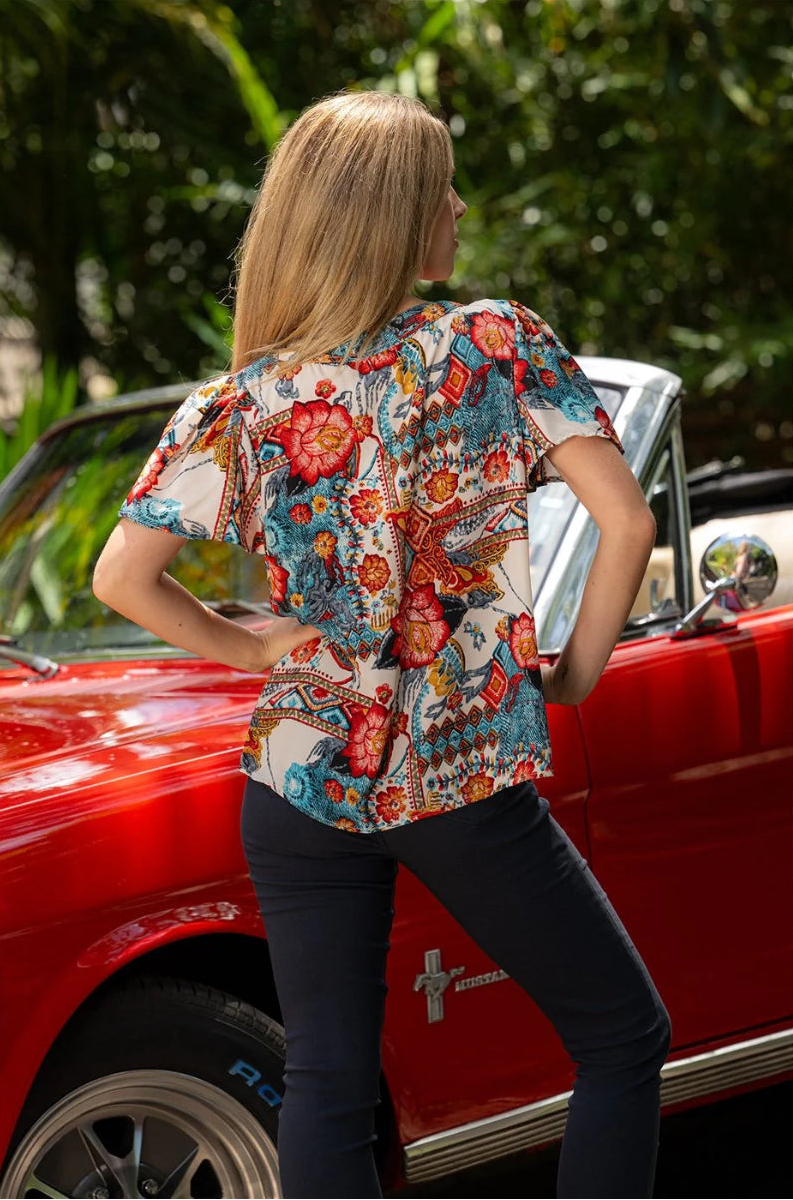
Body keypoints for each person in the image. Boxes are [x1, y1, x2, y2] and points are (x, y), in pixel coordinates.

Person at [93, 90, 670, 1200]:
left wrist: (252, 652)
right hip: (453, 766)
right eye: (440, 184)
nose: (456, 203)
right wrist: (576, 675)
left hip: (297, 773)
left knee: (326, 1083)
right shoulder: (490, 344)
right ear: (400, 214)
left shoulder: (241, 399)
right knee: (621, 1037)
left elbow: (123, 578)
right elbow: (628, 523)